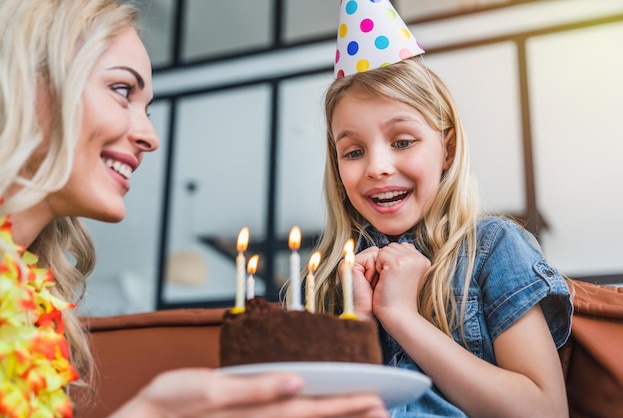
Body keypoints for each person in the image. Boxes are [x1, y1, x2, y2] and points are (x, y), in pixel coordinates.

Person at [0, 0, 389, 417]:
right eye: (121, 90)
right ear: (24, 82)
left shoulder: (31, 302)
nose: (151, 136)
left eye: (147, 109)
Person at [309, 1, 573, 416]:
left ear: (447, 149)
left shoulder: (492, 249)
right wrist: (357, 326)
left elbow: (544, 411)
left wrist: (400, 316)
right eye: (354, 151)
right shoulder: (326, 278)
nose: (377, 167)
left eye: (402, 142)